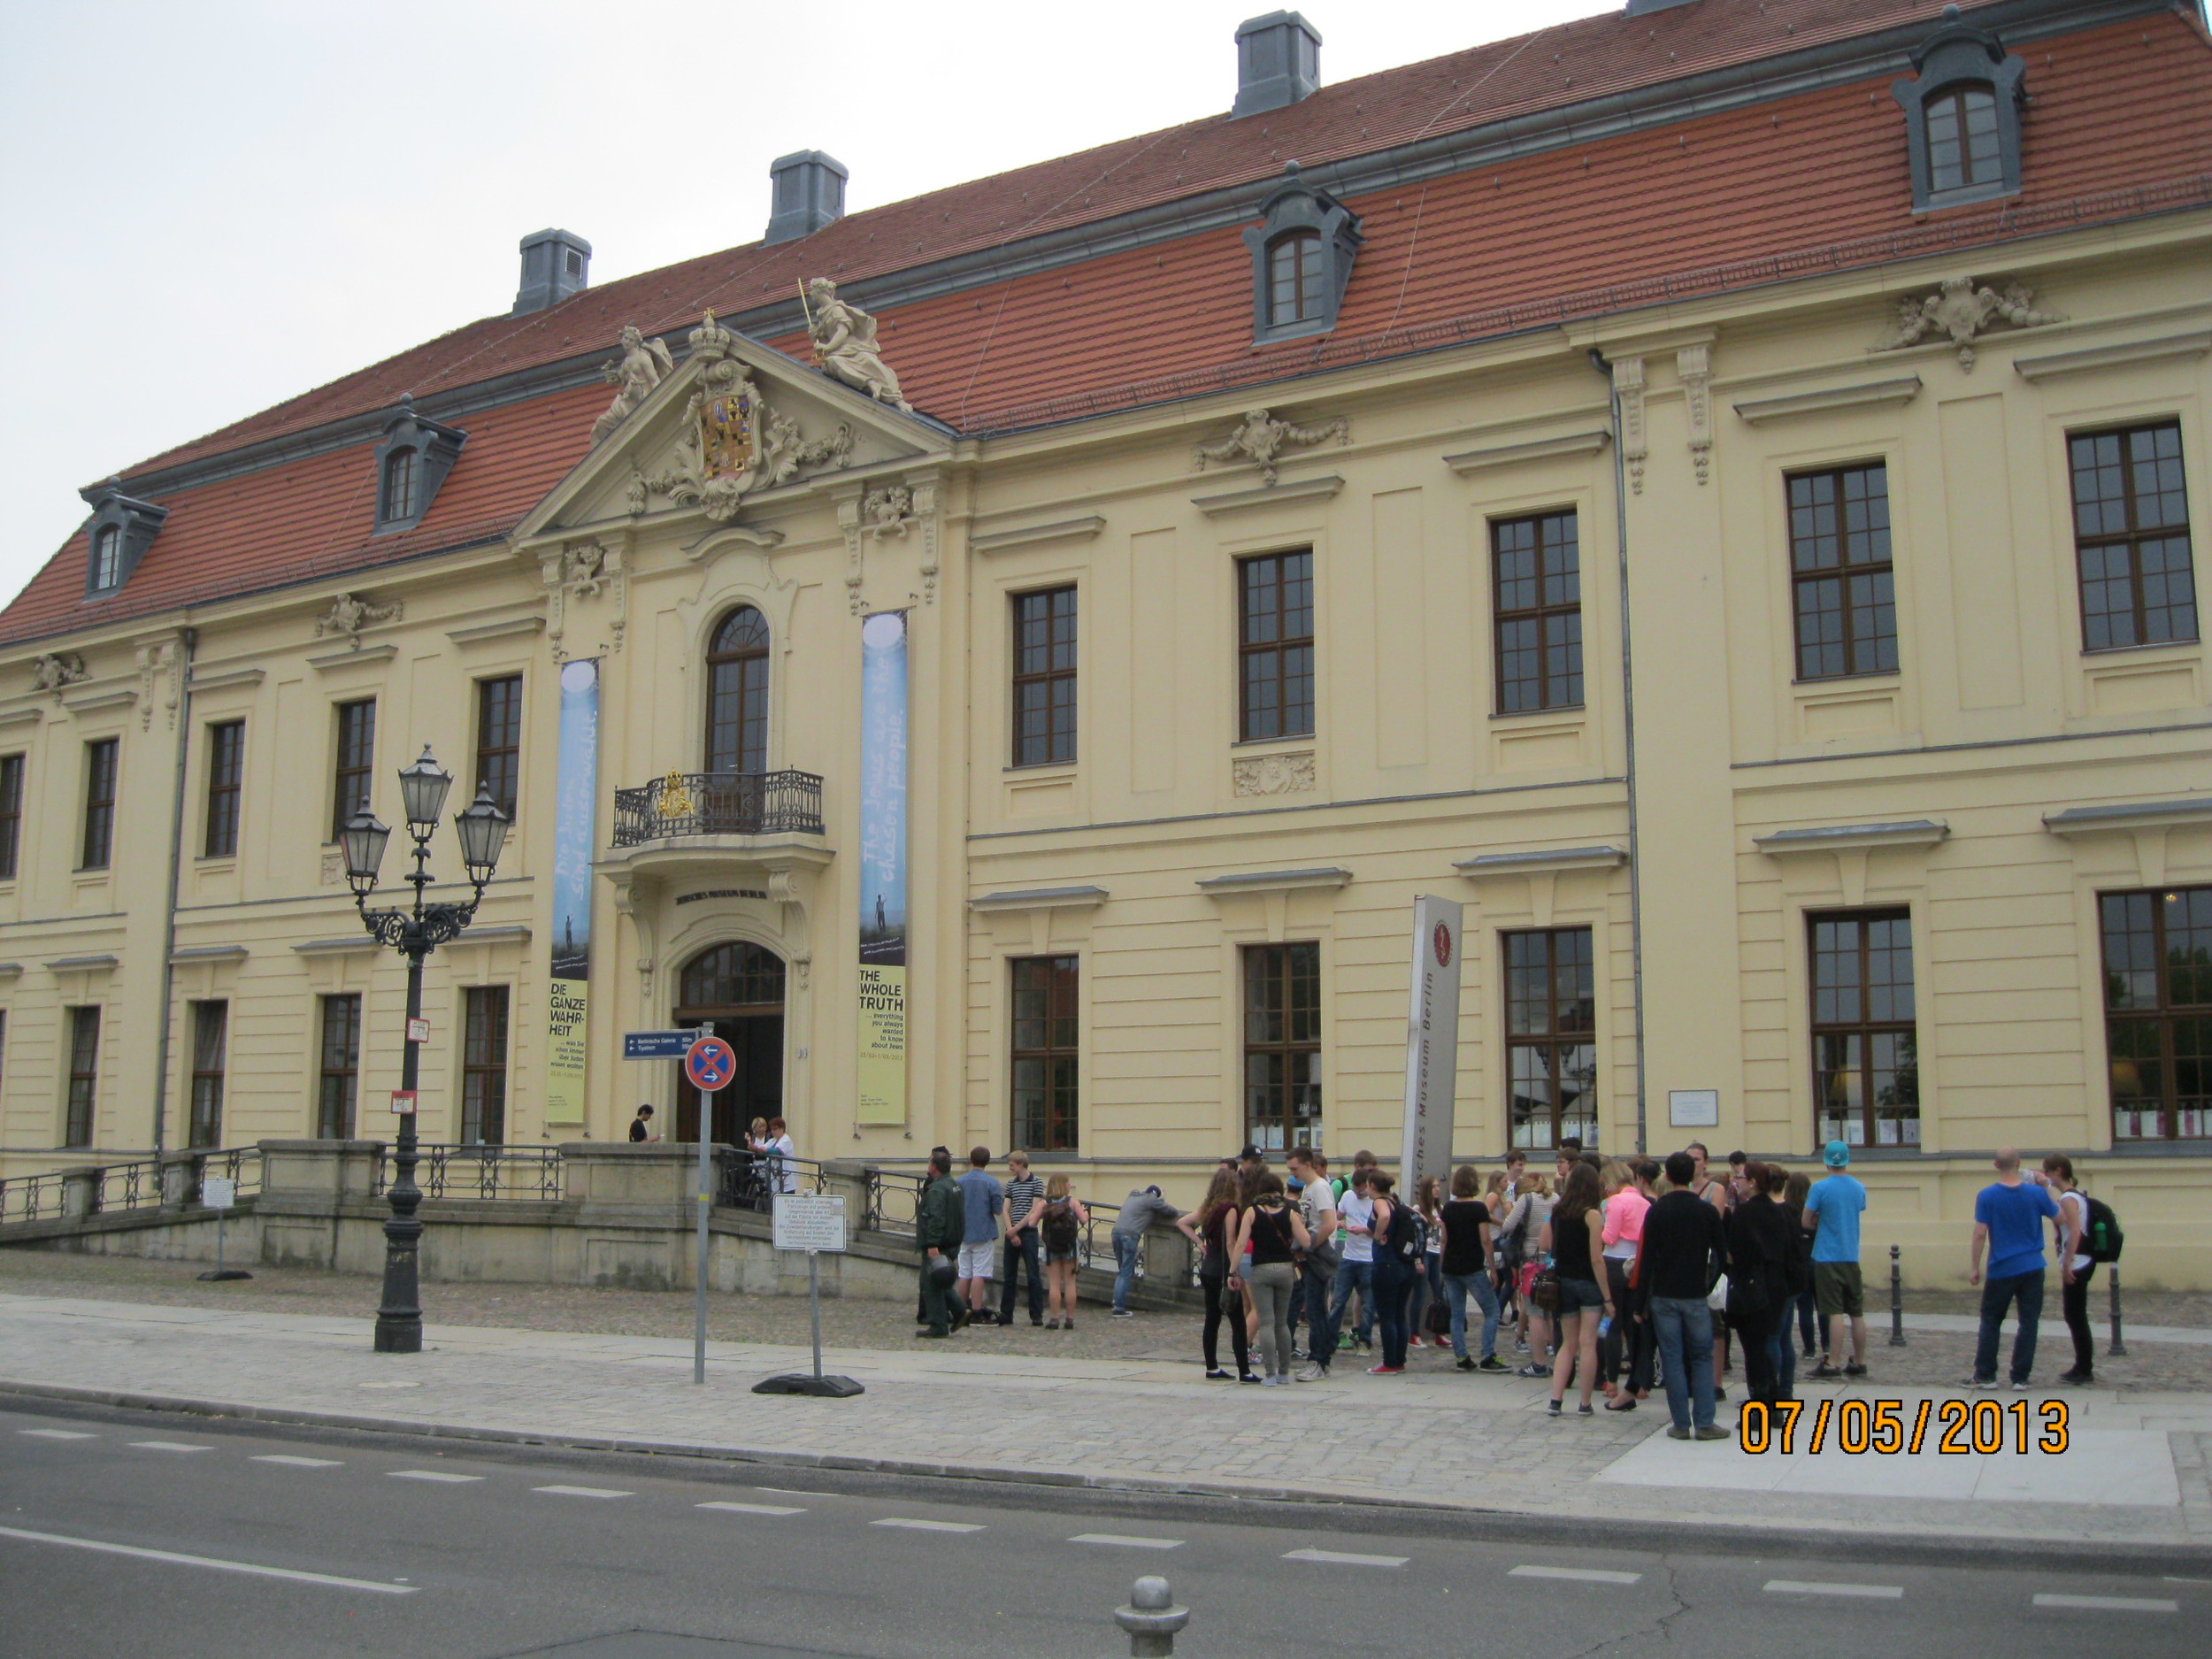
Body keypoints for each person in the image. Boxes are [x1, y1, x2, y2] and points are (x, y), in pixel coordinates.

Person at [1635, 1150, 1730, 1440]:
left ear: (1668, 1176)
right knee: (1702, 1357)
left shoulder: (1658, 1211)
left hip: (1664, 1292)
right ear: (1692, 1175)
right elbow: (1721, 1256)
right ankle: (1704, 1422)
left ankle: (1680, 1423)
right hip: (1694, 1293)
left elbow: (1646, 1258)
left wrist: (1640, 1302)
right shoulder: (1706, 1211)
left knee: (1672, 1357)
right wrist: (1708, 1282)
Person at [1968, 1146, 2061, 1390]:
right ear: (2019, 1163)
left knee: (1991, 1321)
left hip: (2001, 1267)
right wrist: (2045, 1187)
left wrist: (1974, 1267)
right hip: (2032, 1264)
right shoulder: (2035, 1194)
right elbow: (2059, 1217)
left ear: (1996, 1165)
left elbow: (1980, 1234)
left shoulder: (1987, 1196)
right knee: (2029, 1322)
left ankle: (1985, 1375)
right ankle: (2020, 1376)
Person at [1724, 1159, 1795, 1409]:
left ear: (1752, 1183)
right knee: (1766, 1344)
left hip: (1751, 1285)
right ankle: (1773, 1402)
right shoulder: (1777, 1210)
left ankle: (1760, 1406)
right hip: (1776, 1284)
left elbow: (1735, 1253)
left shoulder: (1745, 1211)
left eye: (1741, 1178)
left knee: (1753, 1349)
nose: (1736, 1182)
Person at [1543, 1162, 1611, 1417]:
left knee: (1567, 1344)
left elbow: (1552, 1246)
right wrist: (1608, 1296)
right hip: (1589, 1283)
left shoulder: (1558, 1211)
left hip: (1564, 1281)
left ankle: (1555, 1399)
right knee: (1588, 1343)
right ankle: (1585, 1402)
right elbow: (1597, 1258)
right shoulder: (1592, 1215)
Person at [1801, 1140, 1870, 1379]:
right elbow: (1858, 1208)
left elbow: (1806, 1221)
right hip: (1851, 1255)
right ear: (1848, 1159)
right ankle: (1860, 1361)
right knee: (1856, 1312)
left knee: (1834, 1312)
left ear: (1826, 1161)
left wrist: (1819, 1221)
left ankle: (1833, 1362)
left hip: (1827, 1255)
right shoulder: (1858, 1187)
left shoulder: (1820, 1188)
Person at [1233, 1172, 1310, 1386]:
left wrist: (1233, 1270)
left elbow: (1240, 1244)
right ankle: (1284, 1372)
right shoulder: (1290, 1212)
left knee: (1266, 1323)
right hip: (1285, 1269)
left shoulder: (1252, 1211)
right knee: (1282, 1323)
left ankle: (1269, 1374)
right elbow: (1306, 1240)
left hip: (1261, 1269)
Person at [1440, 1164, 1506, 1371]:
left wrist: (1442, 1265)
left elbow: (1444, 1240)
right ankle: (1487, 1354)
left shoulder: (1448, 1208)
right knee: (1492, 1311)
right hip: (1472, 1266)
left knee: (1457, 1313)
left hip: (1451, 1266)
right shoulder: (1478, 1208)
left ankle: (1461, 1357)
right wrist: (1493, 1269)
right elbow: (1486, 1240)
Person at [1597, 1158, 1651, 1409]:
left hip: (1614, 1262)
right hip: (1637, 1263)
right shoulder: (1644, 1201)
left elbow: (1609, 1236)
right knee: (1634, 1326)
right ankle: (1639, 1382)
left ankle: (1612, 1381)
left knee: (1614, 1324)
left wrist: (1595, 1232)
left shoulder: (1615, 1202)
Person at [1194, 1170, 1256, 1382]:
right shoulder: (1230, 1209)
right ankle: (1244, 1370)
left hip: (1208, 1268)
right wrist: (1234, 1270)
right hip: (1223, 1269)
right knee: (1237, 1320)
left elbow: (1182, 1222)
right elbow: (1231, 1242)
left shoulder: (1208, 1208)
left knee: (1212, 1319)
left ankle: (1212, 1366)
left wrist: (1199, 1242)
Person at [1287, 1147, 1341, 1383]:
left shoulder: (1319, 1187)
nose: (1292, 1173)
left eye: (1295, 1168)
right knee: (1315, 1308)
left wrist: (1309, 1245)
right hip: (1311, 1254)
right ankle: (1321, 1357)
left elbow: (1330, 1224)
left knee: (1316, 1309)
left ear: (1308, 1164)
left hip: (1318, 1255)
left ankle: (1318, 1360)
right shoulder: (1310, 1188)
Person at [2041, 1154, 2095, 1385]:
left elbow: (2073, 1231)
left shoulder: (2070, 1199)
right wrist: (2044, 1190)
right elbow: (2058, 1215)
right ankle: (2082, 1365)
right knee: (2074, 1315)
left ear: (2059, 1171)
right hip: (2081, 1260)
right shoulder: (2072, 1197)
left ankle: (2084, 1368)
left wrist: (2066, 1263)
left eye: (2048, 1172)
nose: (2047, 1176)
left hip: (2078, 1262)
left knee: (2075, 1316)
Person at [1109, 1184, 1193, 1317]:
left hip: (1116, 1233)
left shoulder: (1132, 1196)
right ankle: (1118, 1307)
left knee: (1122, 1271)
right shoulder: (1152, 1199)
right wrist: (1161, 1203)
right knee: (1125, 1272)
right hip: (1129, 1236)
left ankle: (1116, 1301)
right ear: (1156, 1195)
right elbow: (1173, 1212)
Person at [1328, 1166, 1380, 1358]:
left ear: (1369, 1185)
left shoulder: (1376, 1202)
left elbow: (1382, 1229)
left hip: (1368, 1258)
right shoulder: (1348, 1196)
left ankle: (1364, 1340)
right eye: (1356, 1190)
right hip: (1349, 1256)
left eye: (1362, 1190)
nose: (1359, 1194)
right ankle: (1331, 1339)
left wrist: (1365, 1230)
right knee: (1338, 1300)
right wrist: (1338, 1222)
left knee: (1368, 1303)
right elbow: (1336, 1215)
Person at [914, 1149, 967, 1338]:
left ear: (934, 1167)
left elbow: (936, 1218)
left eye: (929, 1164)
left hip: (940, 1243)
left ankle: (938, 1326)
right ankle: (960, 1311)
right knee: (940, 1281)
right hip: (953, 1240)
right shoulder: (954, 1185)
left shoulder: (937, 1189)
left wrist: (932, 1244)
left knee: (930, 1284)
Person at [1367, 1171, 1416, 1374]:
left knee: (1386, 1316)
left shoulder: (1380, 1201)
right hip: (1405, 1264)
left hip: (1386, 1263)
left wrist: (1378, 1235)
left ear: (1372, 1185)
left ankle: (1389, 1362)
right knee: (1399, 1315)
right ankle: (1399, 1360)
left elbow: (1384, 1216)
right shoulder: (1397, 1201)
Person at [954, 1146, 1004, 1325]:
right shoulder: (991, 1183)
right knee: (979, 1273)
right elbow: (998, 1210)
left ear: (971, 1160)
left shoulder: (959, 1181)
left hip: (963, 1231)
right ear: (988, 1161)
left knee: (964, 1272)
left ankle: (960, 1309)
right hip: (983, 1231)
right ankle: (976, 1310)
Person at [999, 1151, 1045, 1327]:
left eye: (1012, 1165)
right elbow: (1006, 1208)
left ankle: (1036, 1314)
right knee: (1009, 1275)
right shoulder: (1011, 1184)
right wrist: (1010, 1229)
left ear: (1020, 1164)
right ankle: (1006, 1312)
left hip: (1028, 1231)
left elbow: (1034, 1209)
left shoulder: (1037, 1182)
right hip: (1012, 1231)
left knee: (1033, 1274)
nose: (1010, 1168)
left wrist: (1017, 1229)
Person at [1038, 1174, 1087, 1329]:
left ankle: (1054, 1318)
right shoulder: (1072, 1202)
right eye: (1068, 1183)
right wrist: (1086, 1213)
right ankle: (1070, 1319)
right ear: (1063, 1185)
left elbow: (1032, 1222)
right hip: (1070, 1247)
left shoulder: (1044, 1203)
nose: (1069, 1185)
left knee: (1054, 1284)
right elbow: (1084, 1220)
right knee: (1070, 1283)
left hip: (1051, 1247)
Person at [1781, 1168, 1819, 1361]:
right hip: (1817, 1257)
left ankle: (1809, 1348)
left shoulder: (1785, 1210)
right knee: (1823, 1308)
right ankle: (1827, 1345)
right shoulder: (1814, 1209)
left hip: (1799, 1262)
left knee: (1804, 1309)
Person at [1408, 1175, 1445, 1348]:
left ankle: (1439, 1331)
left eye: (1438, 1186)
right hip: (1425, 1254)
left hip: (1437, 1254)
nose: (1437, 1189)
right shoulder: (1418, 1210)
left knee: (1440, 1294)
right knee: (1420, 1295)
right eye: (1433, 1187)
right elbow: (1415, 1236)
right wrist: (1417, 1259)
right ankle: (1414, 1333)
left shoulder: (1441, 1209)